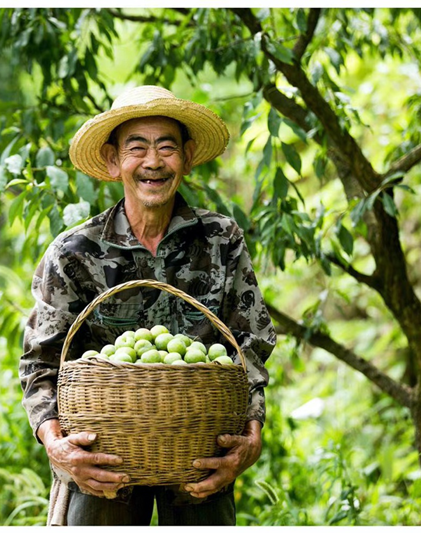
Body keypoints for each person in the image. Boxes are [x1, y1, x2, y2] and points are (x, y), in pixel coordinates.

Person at [19, 85, 276, 526]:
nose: (153, 162)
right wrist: (57, 446)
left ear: (188, 156)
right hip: (102, 463)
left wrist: (250, 435)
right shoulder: (74, 252)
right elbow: (40, 363)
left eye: (167, 147)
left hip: (198, 456)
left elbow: (249, 343)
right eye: (137, 147)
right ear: (113, 160)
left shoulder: (221, 240)